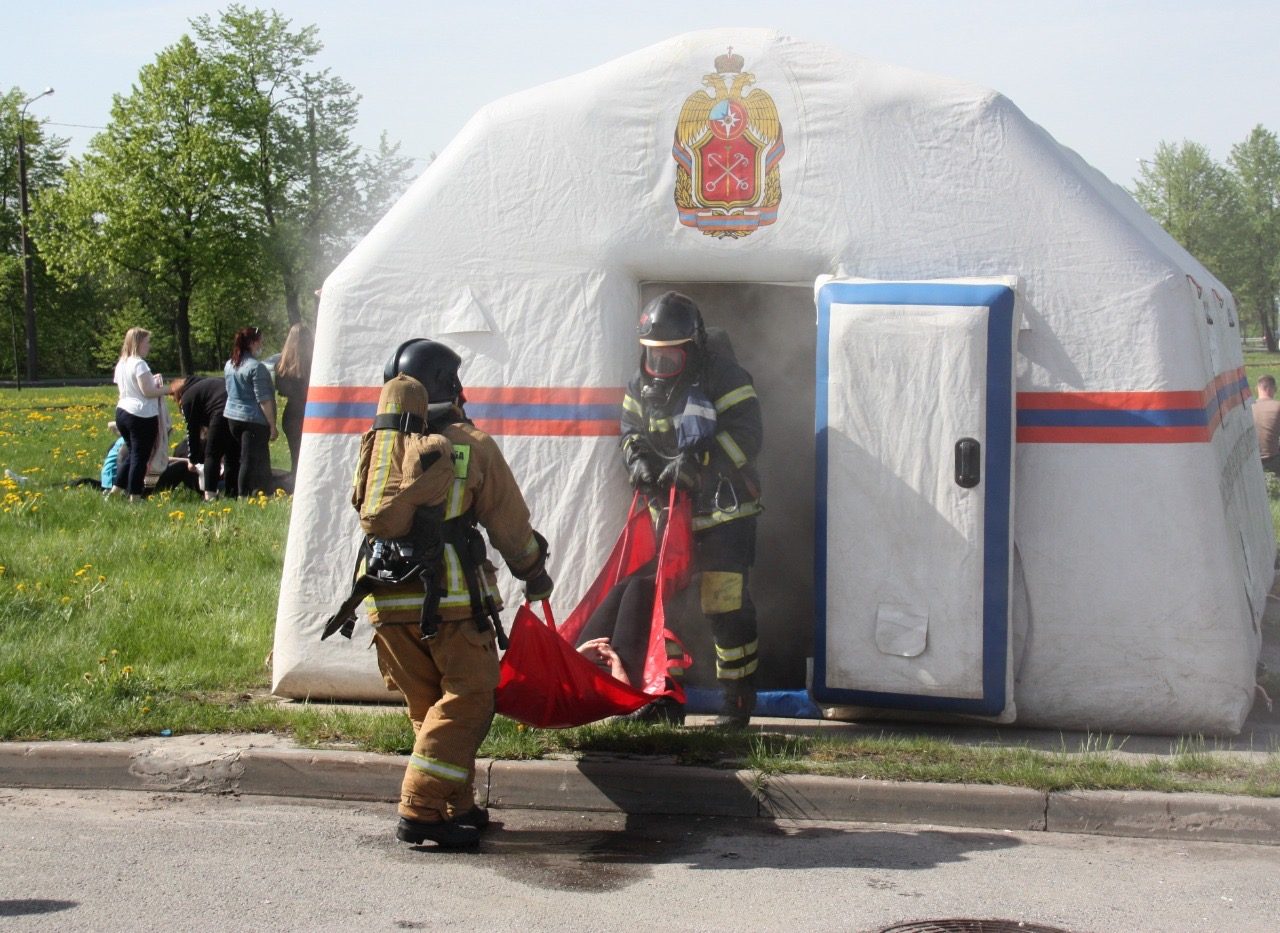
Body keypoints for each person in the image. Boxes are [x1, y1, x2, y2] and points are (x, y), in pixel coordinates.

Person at [353, 338, 553, 849]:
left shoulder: (379, 444)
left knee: (430, 710)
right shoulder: (471, 445)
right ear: (452, 386)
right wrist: (533, 570)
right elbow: (509, 527)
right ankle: (419, 806)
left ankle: (455, 809)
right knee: (469, 699)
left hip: (384, 600)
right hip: (451, 604)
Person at [620, 291, 764, 729]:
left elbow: (748, 435)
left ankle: (737, 701)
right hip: (671, 515)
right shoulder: (639, 384)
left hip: (725, 513)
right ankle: (668, 697)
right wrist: (637, 459)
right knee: (667, 606)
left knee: (723, 604)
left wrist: (700, 464)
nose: (659, 364)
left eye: (670, 355)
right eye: (652, 355)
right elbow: (629, 431)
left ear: (692, 346)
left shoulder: (723, 375)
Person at [112, 327, 167, 501]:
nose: (148, 346)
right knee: (140, 457)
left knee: (132, 452)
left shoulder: (122, 363)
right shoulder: (139, 364)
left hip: (122, 411)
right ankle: (135, 495)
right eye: (146, 342)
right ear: (138, 343)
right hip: (140, 415)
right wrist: (169, 389)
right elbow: (148, 391)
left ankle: (116, 489)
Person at [224, 326, 278, 496]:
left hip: (233, 417)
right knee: (249, 459)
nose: (262, 345)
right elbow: (264, 399)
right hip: (252, 419)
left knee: (255, 457)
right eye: (260, 341)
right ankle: (244, 494)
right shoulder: (256, 367)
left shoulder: (230, 364)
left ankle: (264, 491)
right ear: (253, 343)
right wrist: (272, 424)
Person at [171, 376, 239, 500]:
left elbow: (192, 432)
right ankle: (233, 493)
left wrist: (192, 459)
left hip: (220, 412)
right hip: (237, 409)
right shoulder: (206, 384)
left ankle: (210, 495)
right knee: (232, 453)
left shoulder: (187, 399)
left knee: (212, 454)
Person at [274, 322, 314, 478]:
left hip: (291, 413)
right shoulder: (314, 364)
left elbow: (281, 391)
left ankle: (295, 485)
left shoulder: (281, 365)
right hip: (310, 412)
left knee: (296, 456)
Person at [1254, 375, 1280, 474]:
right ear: (1272, 389)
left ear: (1257, 389)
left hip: (1252, 460)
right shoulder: (1278, 406)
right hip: (1273, 460)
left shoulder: (1248, 407)